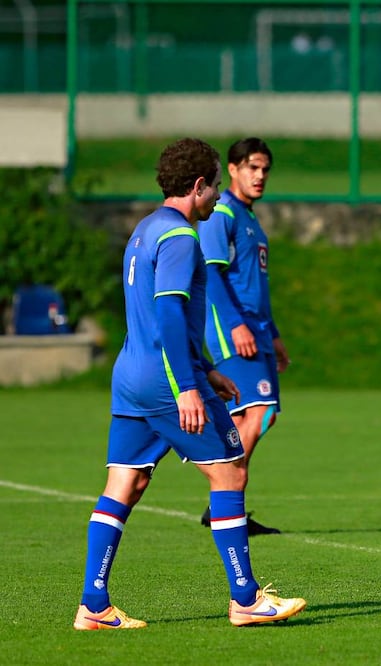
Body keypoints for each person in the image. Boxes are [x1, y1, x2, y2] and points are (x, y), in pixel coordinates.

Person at [73, 138, 306, 630]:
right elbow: (169, 313)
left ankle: (93, 605)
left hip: (130, 375)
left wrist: (205, 368)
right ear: (198, 186)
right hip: (164, 380)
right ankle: (245, 598)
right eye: (216, 185)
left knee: (127, 481)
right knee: (230, 474)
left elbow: (154, 317)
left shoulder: (144, 230)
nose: (219, 195)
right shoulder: (180, 236)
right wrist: (187, 386)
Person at [199, 137, 287, 536]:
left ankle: (226, 507)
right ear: (232, 170)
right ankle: (225, 493)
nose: (260, 175)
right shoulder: (222, 213)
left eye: (265, 169)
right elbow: (212, 273)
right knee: (262, 411)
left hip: (258, 329)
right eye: (252, 167)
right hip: (234, 330)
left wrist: (276, 335)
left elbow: (255, 285)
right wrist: (235, 324)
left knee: (244, 415)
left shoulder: (250, 219)